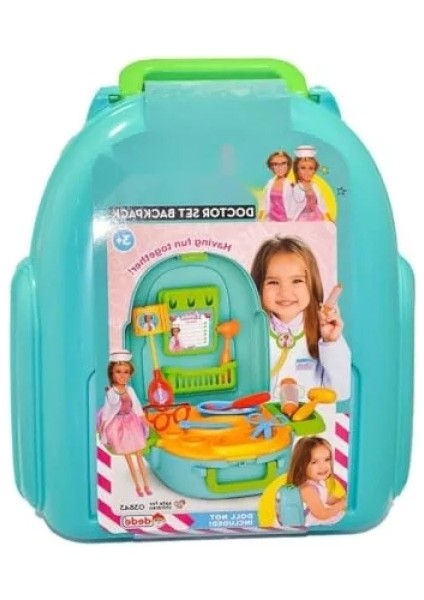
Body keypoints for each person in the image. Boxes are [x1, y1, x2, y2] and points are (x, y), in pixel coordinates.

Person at [250, 236, 351, 405]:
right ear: (258, 287)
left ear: (311, 286)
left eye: (296, 281)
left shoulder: (323, 331)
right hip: (262, 417)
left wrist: (331, 343)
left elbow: (339, 392)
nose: (285, 292)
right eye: (273, 282)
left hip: (308, 419)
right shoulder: (251, 331)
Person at [97, 350, 152, 497]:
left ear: (130, 374)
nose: (122, 375)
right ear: (112, 374)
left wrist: (144, 420)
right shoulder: (112, 393)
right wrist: (103, 427)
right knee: (129, 458)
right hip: (119, 426)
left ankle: (146, 484)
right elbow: (107, 412)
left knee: (139, 455)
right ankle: (138, 486)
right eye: (118, 372)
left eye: (126, 372)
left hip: (132, 422)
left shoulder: (130, 390)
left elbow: (137, 407)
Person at [287, 436, 346, 525]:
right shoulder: (308, 489)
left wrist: (340, 500)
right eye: (314, 462)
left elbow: (326, 498)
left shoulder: (318, 482)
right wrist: (341, 504)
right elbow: (322, 514)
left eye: (327, 459)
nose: (323, 466)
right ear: (301, 465)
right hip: (309, 524)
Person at [291, 145, 327, 221]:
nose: (307, 172)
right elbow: (292, 207)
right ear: (297, 170)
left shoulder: (315, 186)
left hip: (317, 217)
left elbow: (322, 204)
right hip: (302, 219)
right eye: (303, 168)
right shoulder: (296, 188)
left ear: (314, 171)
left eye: (310, 168)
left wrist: (329, 218)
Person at [261, 150, 294, 221]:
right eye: (275, 164)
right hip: (271, 221)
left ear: (288, 166)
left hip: (287, 222)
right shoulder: (269, 183)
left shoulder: (291, 184)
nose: (279, 167)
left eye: (283, 163)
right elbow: (264, 203)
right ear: (271, 167)